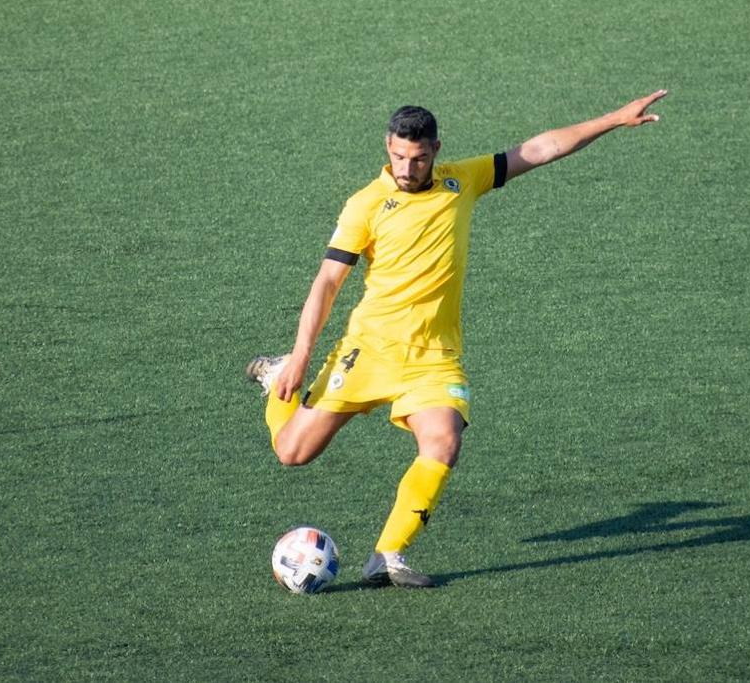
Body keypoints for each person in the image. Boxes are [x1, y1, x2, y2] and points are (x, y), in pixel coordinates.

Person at [246, 90, 670, 588]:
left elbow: (540, 149)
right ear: (387, 147)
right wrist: (301, 355)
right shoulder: (365, 205)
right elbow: (327, 282)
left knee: (444, 440)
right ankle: (278, 378)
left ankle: (387, 555)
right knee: (293, 453)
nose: (407, 168)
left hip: (434, 358)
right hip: (370, 350)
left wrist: (614, 119)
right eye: (398, 156)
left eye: (418, 158)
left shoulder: (462, 180)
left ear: (436, 150)